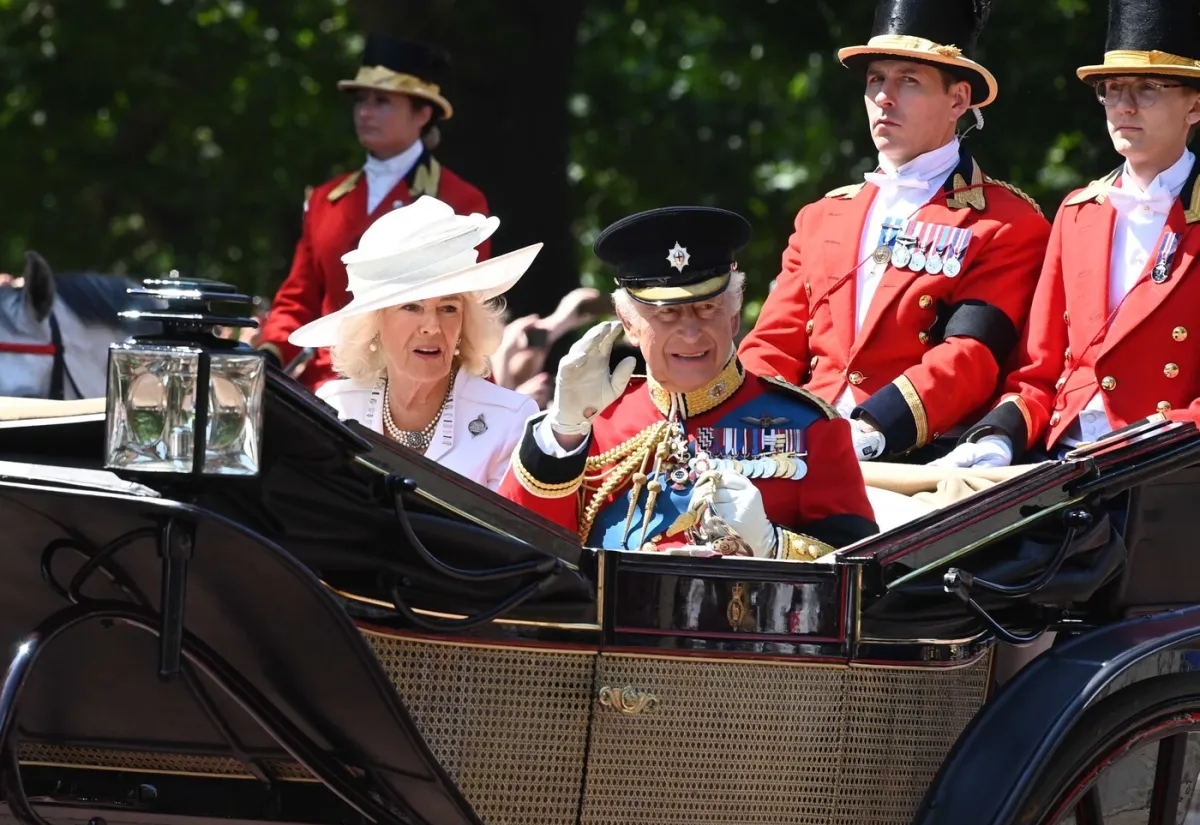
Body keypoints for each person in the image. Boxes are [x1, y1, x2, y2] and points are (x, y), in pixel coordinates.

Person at [737, 0, 1051, 465]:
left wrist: (872, 426)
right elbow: (772, 345)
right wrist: (741, 423)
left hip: (915, 451)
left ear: (958, 101)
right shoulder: (822, 216)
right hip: (799, 446)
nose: (884, 96)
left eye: (908, 80)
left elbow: (970, 355)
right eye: (875, 80)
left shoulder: (1006, 222)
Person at [499, 206, 877, 558]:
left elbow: (863, 577)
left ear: (733, 315)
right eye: (668, 314)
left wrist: (773, 545)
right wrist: (562, 433)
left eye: (707, 308)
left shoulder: (808, 426)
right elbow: (520, 549)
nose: (692, 333)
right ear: (628, 322)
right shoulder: (596, 418)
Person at [935, 0, 1200, 469]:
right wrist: (998, 437)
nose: (1124, 105)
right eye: (1113, 89)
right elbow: (1037, 374)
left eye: (1148, 88)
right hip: (1059, 461)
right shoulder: (1079, 213)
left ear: (1194, 106)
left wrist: (1157, 445)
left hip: (1167, 472)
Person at [260, 34, 490, 393]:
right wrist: (270, 352)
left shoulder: (458, 198)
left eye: (382, 101)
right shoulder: (326, 199)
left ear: (423, 113)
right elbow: (298, 298)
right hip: (328, 381)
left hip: (423, 385)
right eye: (360, 101)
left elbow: (466, 308)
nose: (365, 112)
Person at [288, 196, 540, 491]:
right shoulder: (337, 409)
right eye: (411, 307)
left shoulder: (509, 419)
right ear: (374, 323)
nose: (432, 326)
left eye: (448, 308)